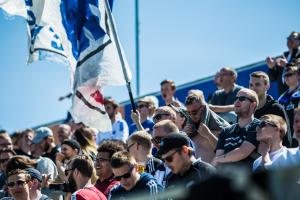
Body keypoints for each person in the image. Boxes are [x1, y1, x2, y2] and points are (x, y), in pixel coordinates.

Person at [213, 88, 260, 167]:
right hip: (228, 177)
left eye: (242, 99)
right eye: (236, 98)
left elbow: (242, 152)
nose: (236, 102)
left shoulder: (259, 126)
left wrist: (218, 159)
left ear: (253, 104)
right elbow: (218, 161)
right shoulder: (226, 130)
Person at [249, 71, 293, 147]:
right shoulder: (247, 110)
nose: (253, 88)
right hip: (251, 156)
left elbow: (286, 138)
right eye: (251, 85)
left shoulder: (276, 108)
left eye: (257, 84)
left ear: (267, 86)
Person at [184, 91, 229, 162]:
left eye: (194, 112)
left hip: (217, 172)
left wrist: (209, 135)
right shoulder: (189, 132)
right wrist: (184, 137)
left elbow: (229, 151)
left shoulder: (221, 128)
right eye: (188, 113)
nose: (192, 116)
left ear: (203, 108)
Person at [278, 66, 300, 147]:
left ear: (298, 75)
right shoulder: (281, 97)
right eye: (285, 75)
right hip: (287, 135)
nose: (286, 77)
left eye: (289, 74)